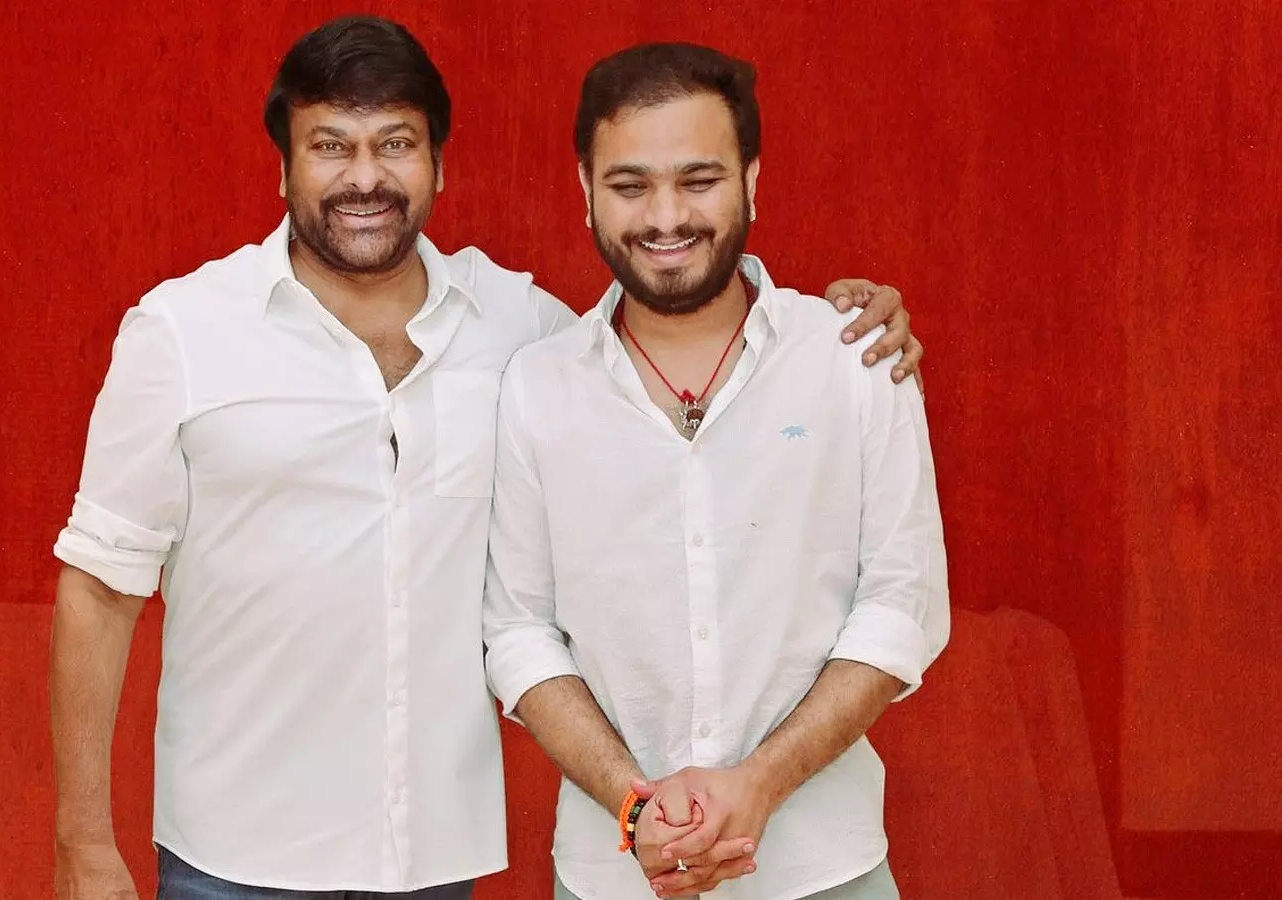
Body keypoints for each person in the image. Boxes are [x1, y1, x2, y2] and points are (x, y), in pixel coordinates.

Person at [49, 16, 923, 900]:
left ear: (438, 165)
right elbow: (98, 588)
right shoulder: (183, 333)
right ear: (283, 167)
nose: (365, 176)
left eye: (396, 143)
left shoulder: (520, 331)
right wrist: (83, 842)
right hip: (233, 856)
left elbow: (663, 319)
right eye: (330, 145)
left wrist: (846, 324)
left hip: (431, 859)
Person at [481, 42, 950, 900]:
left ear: (752, 180)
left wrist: (760, 784)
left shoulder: (853, 358)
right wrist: (633, 806)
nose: (666, 217)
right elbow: (517, 631)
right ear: (585, 190)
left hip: (824, 869)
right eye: (630, 186)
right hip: (611, 875)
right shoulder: (537, 387)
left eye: (698, 180)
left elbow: (902, 606)